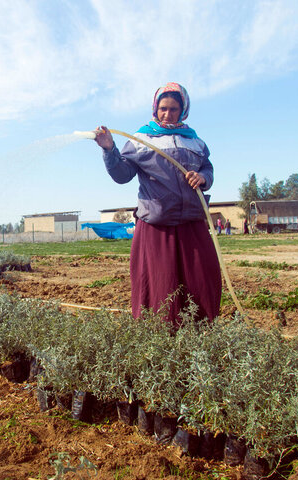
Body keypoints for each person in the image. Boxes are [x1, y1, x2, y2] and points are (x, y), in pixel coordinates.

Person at [94, 82, 221, 328]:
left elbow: (208, 169)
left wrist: (203, 177)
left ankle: (202, 337)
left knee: (203, 282)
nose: (167, 114)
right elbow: (122, 175)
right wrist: (109, 149)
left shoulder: (195, 142)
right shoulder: (141, 138)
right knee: (160, 286)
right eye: (163, 108)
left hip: (192, 224)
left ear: (183, 110)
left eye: (174, 109)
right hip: (157, 226)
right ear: (155, 108)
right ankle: (158, 340)